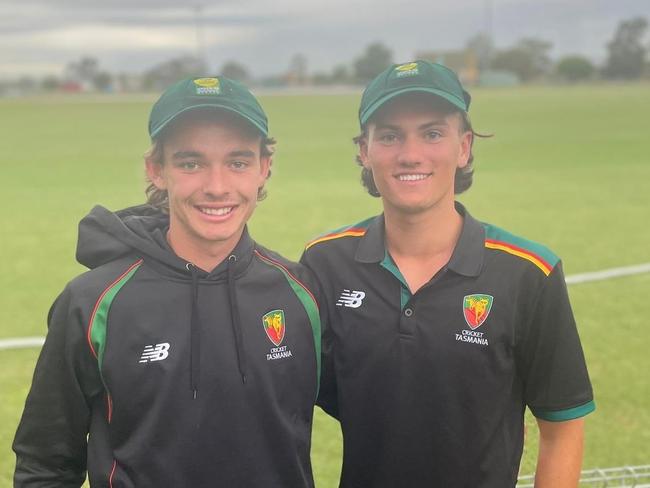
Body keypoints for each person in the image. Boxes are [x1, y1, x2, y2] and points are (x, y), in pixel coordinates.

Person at [14, 76, 322, 487]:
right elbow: (44, 464)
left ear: (263, 169)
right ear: (157, 170)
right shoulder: (92, 303)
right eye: (191, 163)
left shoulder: (299, 292)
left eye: (238, 162)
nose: (216, 187)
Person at [301, 60, 594, 488]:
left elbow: (563, 427)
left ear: (464, 147)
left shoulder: (528, 272)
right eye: (389, 136)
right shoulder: (325, 263)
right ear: (365, 150)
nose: (411, 154)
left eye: (433, 133)